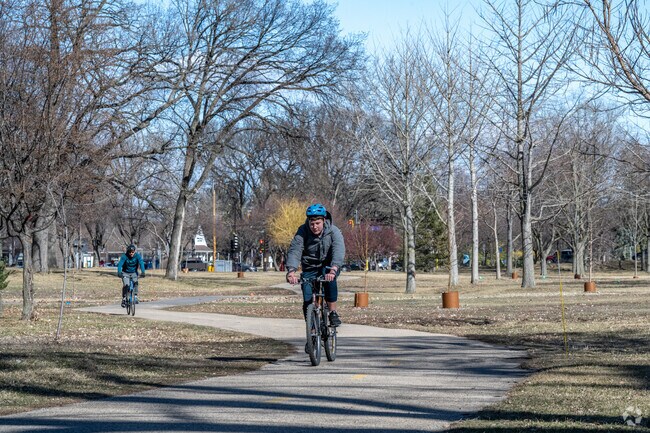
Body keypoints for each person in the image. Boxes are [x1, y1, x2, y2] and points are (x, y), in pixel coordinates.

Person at [286, 203, 345, 327]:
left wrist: (334, 269)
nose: (314, 227)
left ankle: (333, 312)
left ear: (324, 220)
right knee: (308, 298)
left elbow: (338, 250)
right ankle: (312, 330)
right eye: (312, 223)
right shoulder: (302, 231)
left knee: (330, 281)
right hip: (310, 266)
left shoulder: (333, 231)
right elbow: (295, 250)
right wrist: (291, 271)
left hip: (328, 265)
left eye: (317, 223)